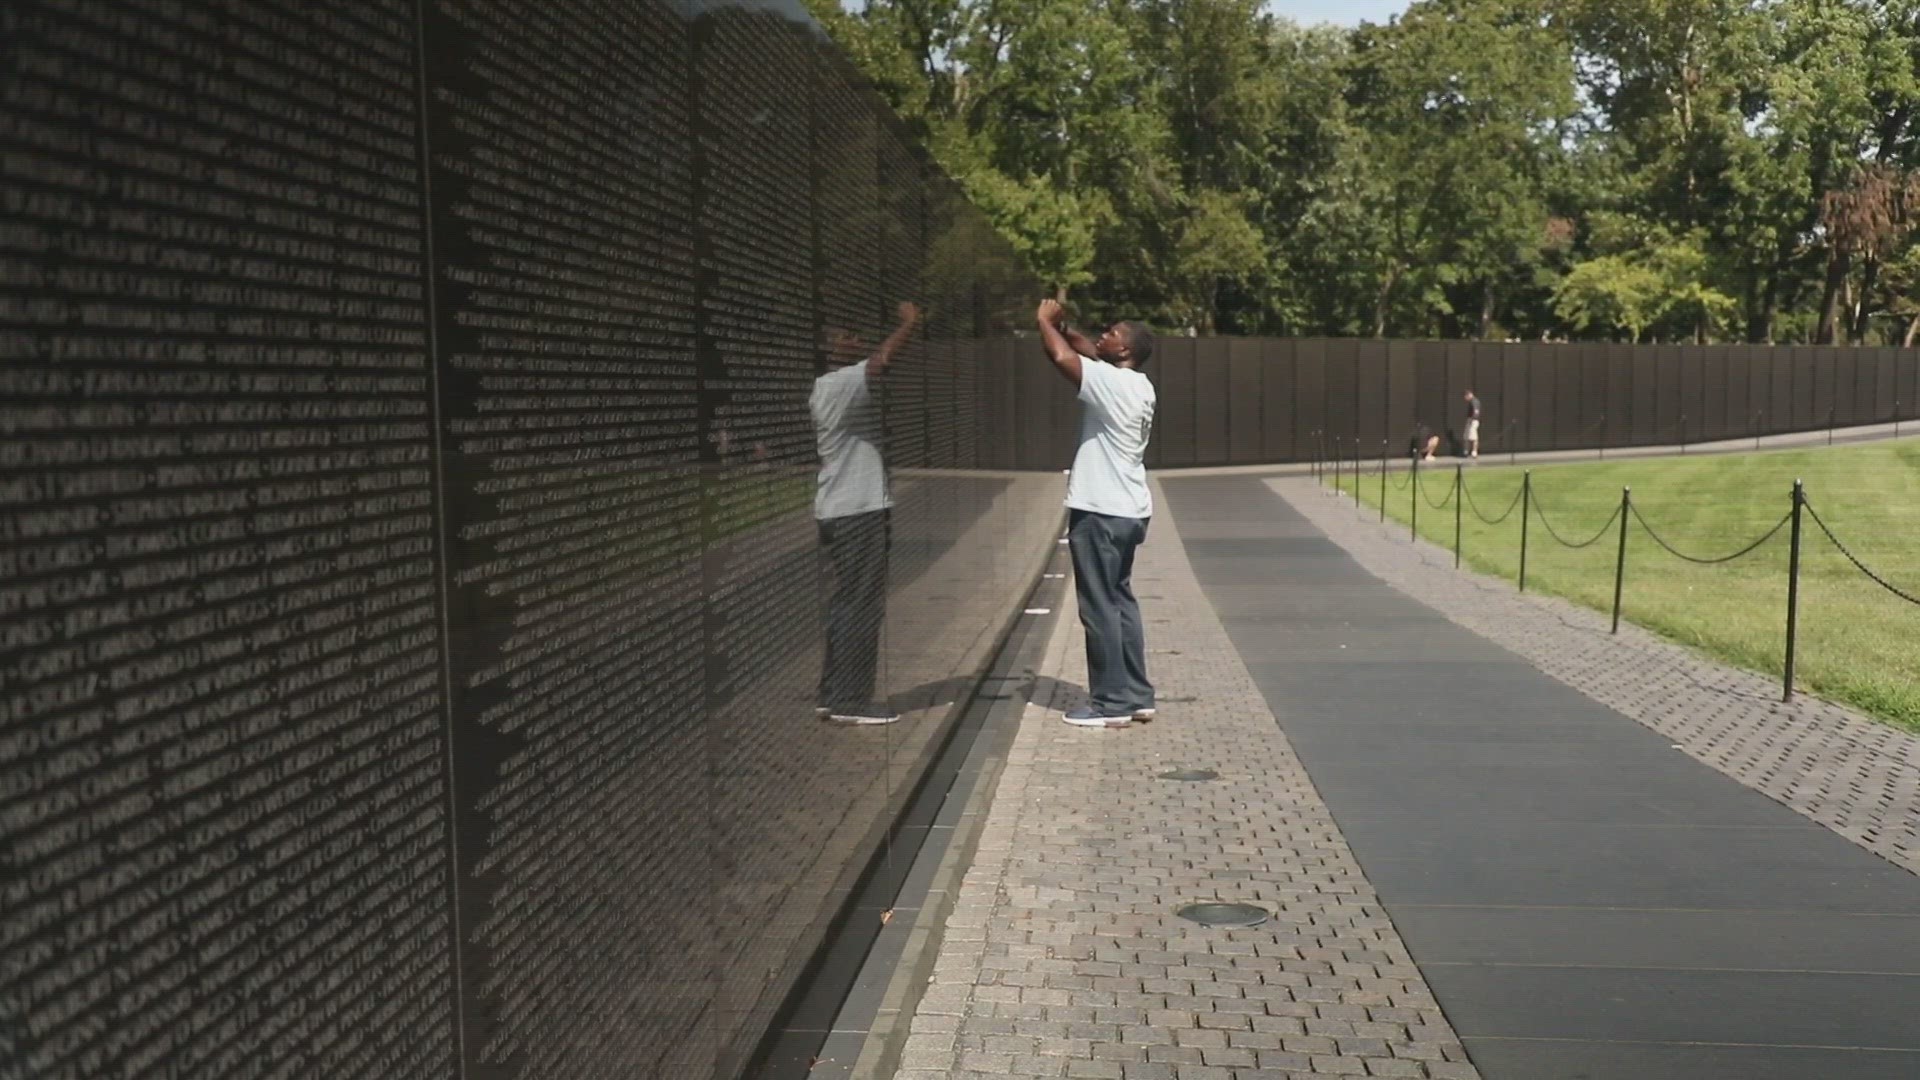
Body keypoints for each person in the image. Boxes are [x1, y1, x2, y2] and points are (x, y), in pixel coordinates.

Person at [1035, 299, 1157, 729]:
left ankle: (1111, 704)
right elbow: (1083, 347)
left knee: (1099, 605)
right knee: (1120, 600)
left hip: (1100, 512)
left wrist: (1043, 323)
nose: (1103, 336)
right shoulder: (1138, 384)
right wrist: (1063, 325)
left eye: (1113, 333)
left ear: (1125, 350)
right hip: (1129, 511)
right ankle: (1138, 696)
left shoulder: (1112, 384)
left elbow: (1063, 356)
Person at [811, 301, 920, 724]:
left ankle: (832, 693)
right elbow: (882, 362)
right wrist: (908, 323)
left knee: (846, 603)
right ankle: (850, 703)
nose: (855, 342)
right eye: (845, 338)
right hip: (858, 511)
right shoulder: (840, 384)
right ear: (829, 352)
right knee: (861, 604)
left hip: (844, 509)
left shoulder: (831, 386)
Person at [1463, 389, 1482, 459]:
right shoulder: (1471, 402)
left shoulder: (1474, 401)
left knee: (1473, 437)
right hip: (1470, 420)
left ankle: (1474, 452)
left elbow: (1476, 412)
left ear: (1469, 395)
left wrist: (1472, 419)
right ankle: (1466, 451)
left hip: (1473, 421)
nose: (1465, 398)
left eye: (1465, 396)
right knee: (1466, 436)